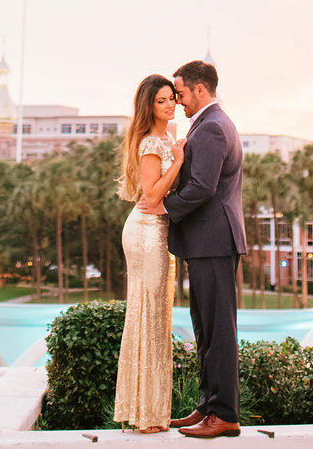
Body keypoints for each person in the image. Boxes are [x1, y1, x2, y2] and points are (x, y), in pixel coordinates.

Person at [139, 59, 245, 440]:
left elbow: (202, 186)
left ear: (200, 90)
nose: (179, 102)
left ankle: (225, 415)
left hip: (214, 242)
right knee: (205, 328)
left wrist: (163, 206)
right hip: (206, 243)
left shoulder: (214, 128)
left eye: (181, 94)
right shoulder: (207, 125)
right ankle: (208, 405)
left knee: (219, 329)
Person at [114, 74, 186, 433]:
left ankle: (152, 413)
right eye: (162, 100)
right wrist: (178, 160)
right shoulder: (149, 144)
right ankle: (144, 414)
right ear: (150, 107)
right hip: (145, 233)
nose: (171, 104)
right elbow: (153, 194)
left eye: (172, 97)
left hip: (158, 232)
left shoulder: (166, 138)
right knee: (148, 316)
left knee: (158, 318)